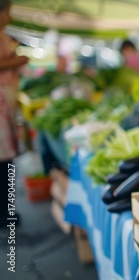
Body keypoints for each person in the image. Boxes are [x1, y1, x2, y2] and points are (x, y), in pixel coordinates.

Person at [0, 0, 28, 226]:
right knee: (4, 163)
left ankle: (6, 210)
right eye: (7, 13)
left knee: (6, 163)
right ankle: (6, 212)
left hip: (5, 106)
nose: (9, 18)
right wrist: (17, 59)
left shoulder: (3, 35)